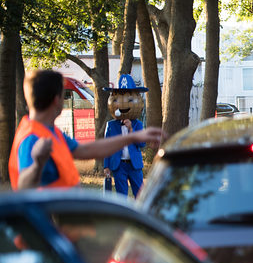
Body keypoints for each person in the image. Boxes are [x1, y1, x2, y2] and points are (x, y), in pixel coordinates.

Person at [8, 69, 164, 190]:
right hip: (44, 230)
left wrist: (133, 137)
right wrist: (37, 163)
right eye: (64, 96)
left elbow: (85, 150)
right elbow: (23, 186)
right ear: (57, 100)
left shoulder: (50, 131)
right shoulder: (32, 137)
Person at [103, 74, 150, 197]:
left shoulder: (138, 125)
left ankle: (140, 215)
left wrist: (130, 129)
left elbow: (142, 144)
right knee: (121, 195)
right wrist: (106, 166)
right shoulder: (111, 126)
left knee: (140, 194)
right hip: (118, 165)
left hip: (134, 165)